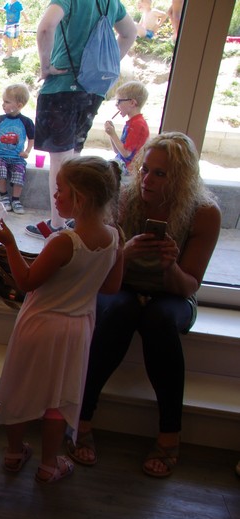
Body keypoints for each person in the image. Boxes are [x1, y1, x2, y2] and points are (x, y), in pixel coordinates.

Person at [73, 132, 221, 478]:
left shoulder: (203, 213)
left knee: (158, 319)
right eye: (144, 170)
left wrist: (169, 266)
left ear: (181, 179)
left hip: (173, 295)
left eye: (159, 174)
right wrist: (124, 254)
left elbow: (189, 286)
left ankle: (170, 434)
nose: (146, 180)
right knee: (121, 311)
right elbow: (97, 271)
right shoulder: (124, 200)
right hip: (121, 284)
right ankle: (81, 419)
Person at [0, 156, 123, 483]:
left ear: (81, 198)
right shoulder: (115, 237)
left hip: (40, 325)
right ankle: (49, 464)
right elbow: (111, 287)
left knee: (22, 388)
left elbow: (26, 282)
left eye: (61, 190)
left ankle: (14, 452)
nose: (55, 195)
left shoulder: (65, 242)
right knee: (59, 399)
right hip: (76, 330)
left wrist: (10, 244)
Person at [25, 0, 137, 239]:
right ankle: (73, 221)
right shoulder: (111, 2)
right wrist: (103, 64)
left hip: (62, 86)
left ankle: (58, 225)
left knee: (60, 160)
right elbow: (129, 33)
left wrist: (46, 66)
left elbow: (46, 27)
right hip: (91, 90)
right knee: (73, 155)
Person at [0, 83, 35, 214]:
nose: (3, 105)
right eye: (3, 101)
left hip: (17, 157)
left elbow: (32, 138)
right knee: (0, 169)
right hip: (0, 156)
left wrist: (27, 152)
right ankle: (3, 196)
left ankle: (16, 199)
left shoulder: (26, 122)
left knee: (19, 172)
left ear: (19, 105)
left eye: (7, 102)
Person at [103, 80, 150, 175]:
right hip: (121, 167)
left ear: (132, 103)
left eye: (119, 101)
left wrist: (113, 134)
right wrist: (111, 133)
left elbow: (126, 153)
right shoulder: (132, 122)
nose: (116, 105)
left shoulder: (137, 124)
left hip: (126, 172)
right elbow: (117, 150)